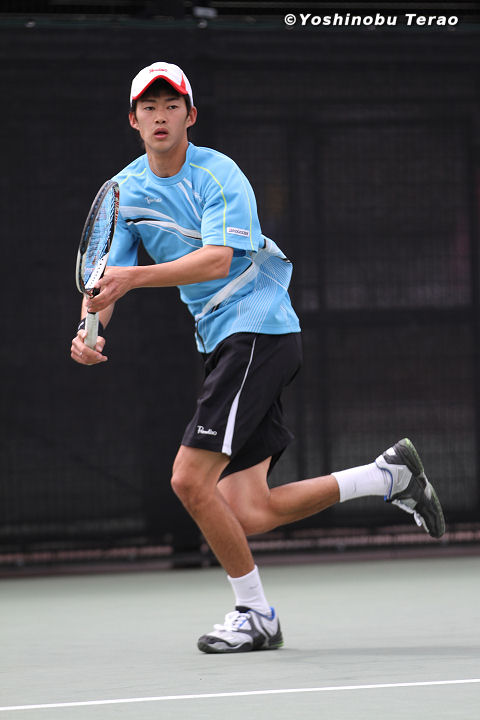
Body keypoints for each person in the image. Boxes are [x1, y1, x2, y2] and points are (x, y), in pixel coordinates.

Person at [71, 62, 445, 654]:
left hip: (257, 329)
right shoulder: (124, 192)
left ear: (190, 116)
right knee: (249, 509)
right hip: (222, 342)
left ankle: (255, 614)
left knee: (188, 479)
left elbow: (217, 260)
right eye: (149, 107)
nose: (161, 116)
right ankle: (388, 475)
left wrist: (133, 278)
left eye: (172, 106)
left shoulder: (219, 174)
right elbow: (105, 280)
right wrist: (89, 330)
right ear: (134, 121)